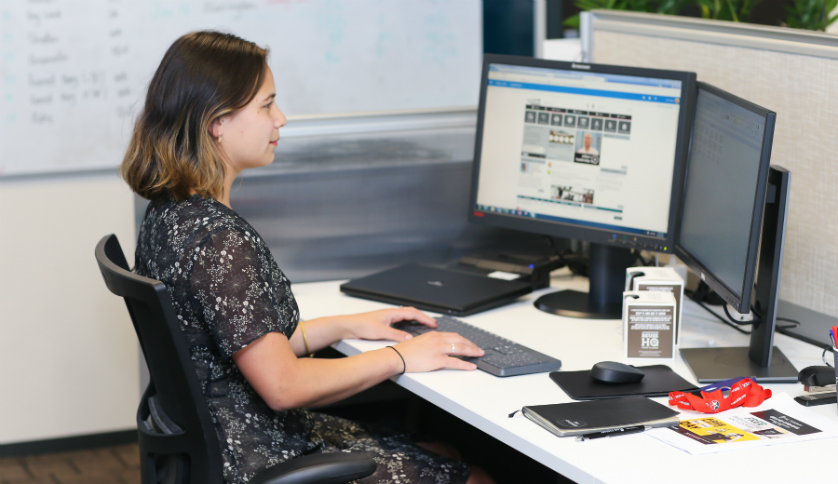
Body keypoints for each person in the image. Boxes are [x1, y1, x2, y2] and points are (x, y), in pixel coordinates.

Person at [121, 31, 494, 484]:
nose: (280, 119)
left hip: (222, 442)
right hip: (255, 455)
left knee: (445, 450)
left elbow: (235, 345)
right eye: (265, 105)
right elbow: (283, 385)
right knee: (473, 477)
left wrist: (344, 325)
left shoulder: (171, 214)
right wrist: (401, 355)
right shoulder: (218, 239)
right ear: (216, 122)